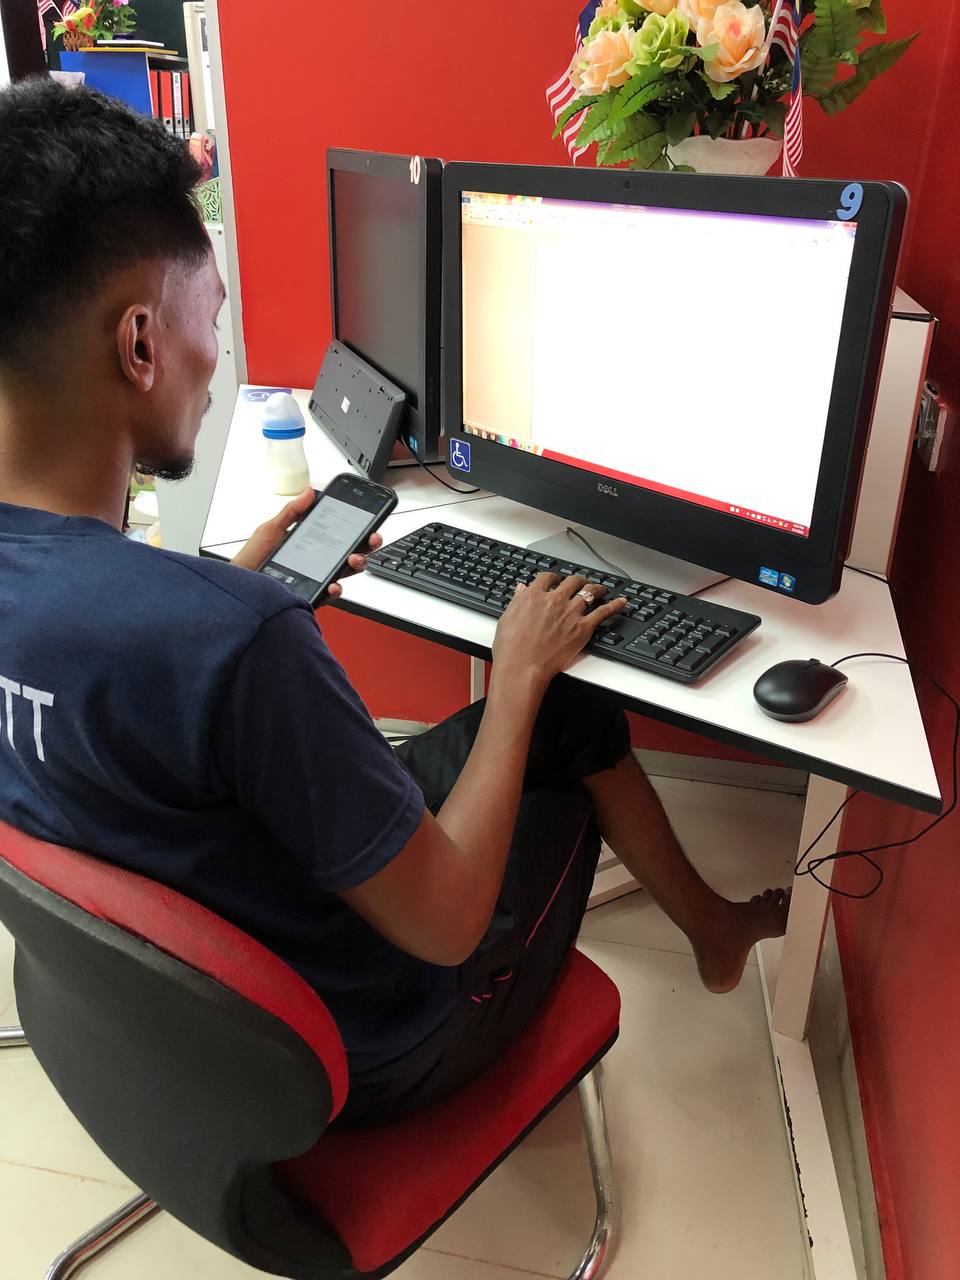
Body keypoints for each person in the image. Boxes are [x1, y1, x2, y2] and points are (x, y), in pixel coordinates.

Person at [0, 80, 789, 1127]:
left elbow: (114, 693)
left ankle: (712, 928)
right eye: (213, 320)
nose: (214, 362)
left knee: (556, 716)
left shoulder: (180, 623)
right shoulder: (237, 642)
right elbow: (448, 922)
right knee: (563, 722)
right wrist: (516, 674)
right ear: (139, 343)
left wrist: (224, 598)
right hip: (367, 1041)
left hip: (191, 1012)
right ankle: (661, 949)